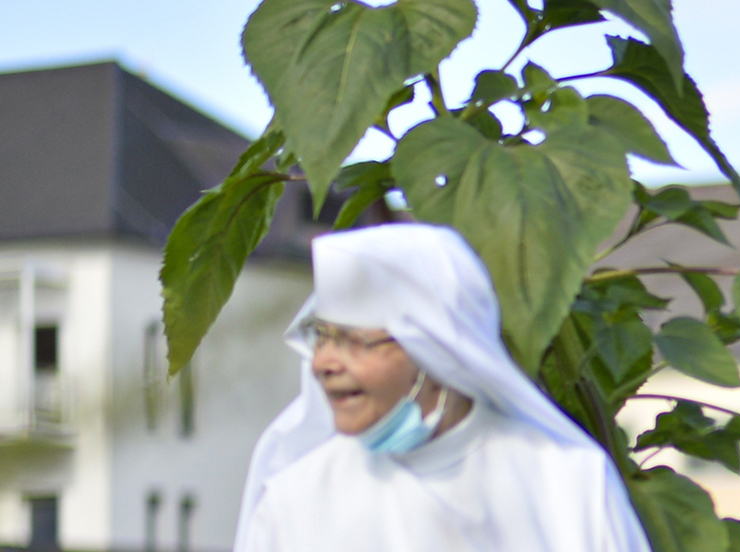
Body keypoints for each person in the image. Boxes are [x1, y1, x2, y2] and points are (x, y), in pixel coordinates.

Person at [234, 223, 651, 551]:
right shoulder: (296, 501)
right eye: (321, 337)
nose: (323, 363)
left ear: (435, 350)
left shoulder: (567, 483)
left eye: (354, 340)